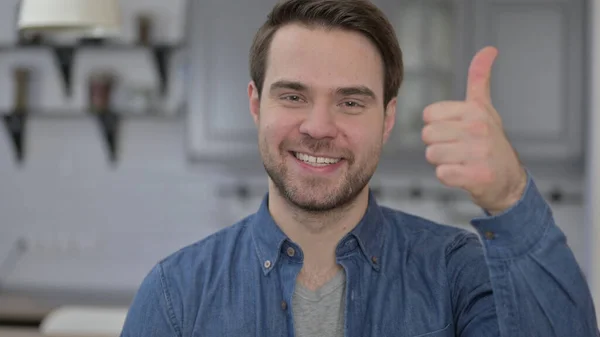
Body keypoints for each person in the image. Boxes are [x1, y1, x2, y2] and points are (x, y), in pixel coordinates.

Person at [120, 0, 599, 336]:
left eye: (350, 101)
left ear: (387, 119)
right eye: (292, 95)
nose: (319, 126)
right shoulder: (175, 294)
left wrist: (511, 195)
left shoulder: (457, 272)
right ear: (255, 104)